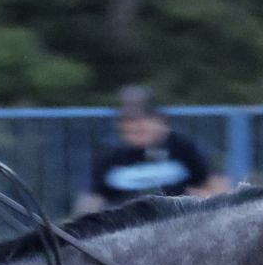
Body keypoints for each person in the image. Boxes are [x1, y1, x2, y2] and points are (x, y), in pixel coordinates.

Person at [76, 85, 212, 212]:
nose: (134, 126)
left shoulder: (182, 146)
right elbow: (93, 197)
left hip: (177, 223)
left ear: (159, 120)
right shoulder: (109, 152)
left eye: (142, 120)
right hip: (123, 226)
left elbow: (212, 185)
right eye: (127, 120)